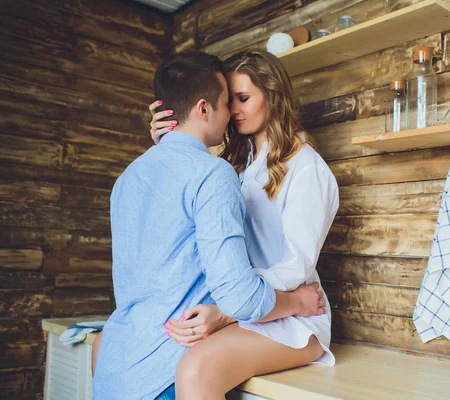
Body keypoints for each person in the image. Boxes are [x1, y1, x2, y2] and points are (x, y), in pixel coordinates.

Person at [92, 51, 326, 400]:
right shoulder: (222, 168)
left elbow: (293, 266)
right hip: (230, 315)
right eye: (228, 101)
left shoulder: (130, 177)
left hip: (280, 309)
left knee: (194, 367)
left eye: (242, 99)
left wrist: (280, 306)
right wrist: (169, 148)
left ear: (273, 97)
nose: (232, 111)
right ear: (204, 108)